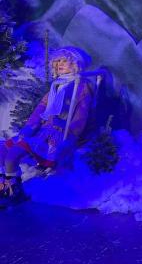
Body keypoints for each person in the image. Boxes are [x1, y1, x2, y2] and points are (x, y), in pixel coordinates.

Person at [1, 47, 94, 205]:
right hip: (41, 130)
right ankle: (8, 184)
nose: (59, 64)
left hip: (56, 134)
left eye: (64, 61)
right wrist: (29, 127)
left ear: (76, 64)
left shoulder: (81, 87)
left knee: (13, 155)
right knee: (3, 150)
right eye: (57, 61)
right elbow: (41, 109)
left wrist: (71, 135)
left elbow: (81, 116)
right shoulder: (56, 85)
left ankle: (13, 189)